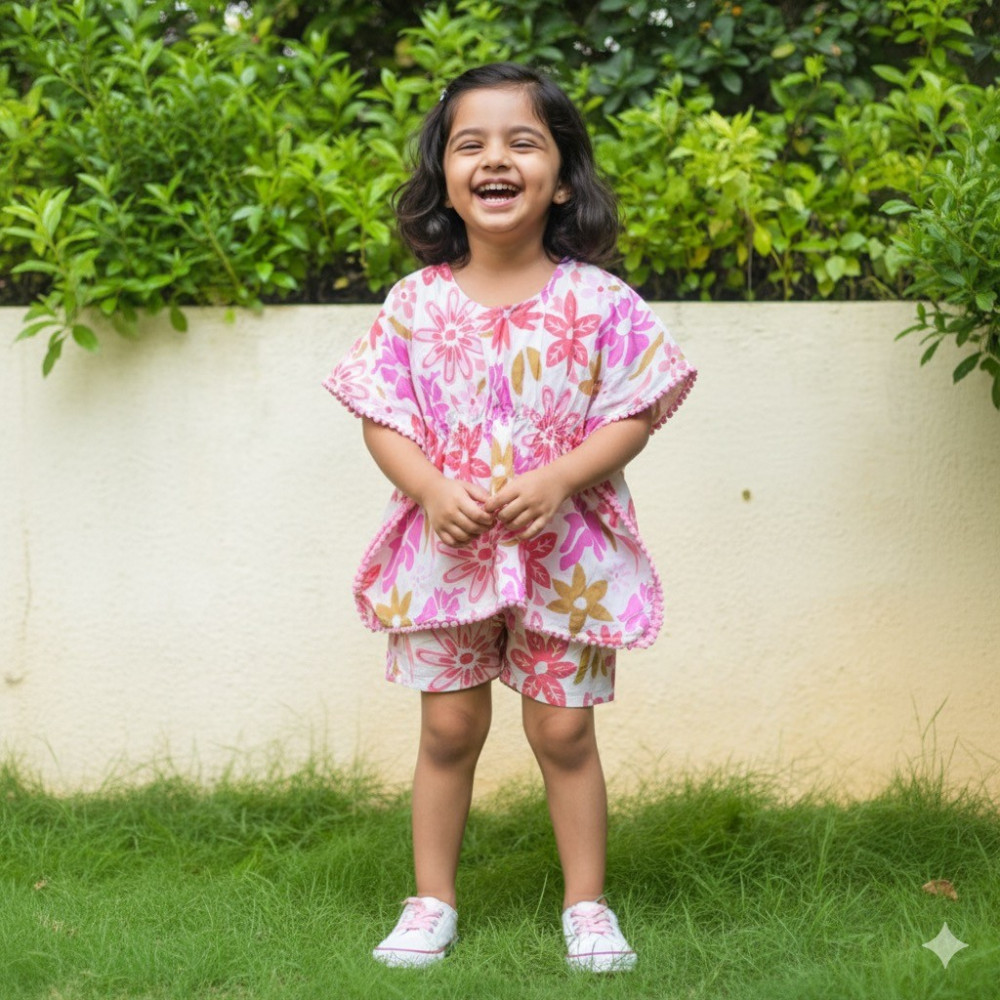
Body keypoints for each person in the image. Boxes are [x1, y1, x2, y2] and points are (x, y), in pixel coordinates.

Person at [323, 62, 696, 972]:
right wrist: (431, 490)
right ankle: (430, 901)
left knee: (562, 730)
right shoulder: (415, 304)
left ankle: (588, 907)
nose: (496, 158)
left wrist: (565, 476)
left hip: (563, 554)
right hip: (446, 555)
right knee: (449, 728)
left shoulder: (600, 302)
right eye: (471, 143)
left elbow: (639, 409)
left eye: (523, 141)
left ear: (561, 176)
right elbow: (382, 414)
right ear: (445, 176)